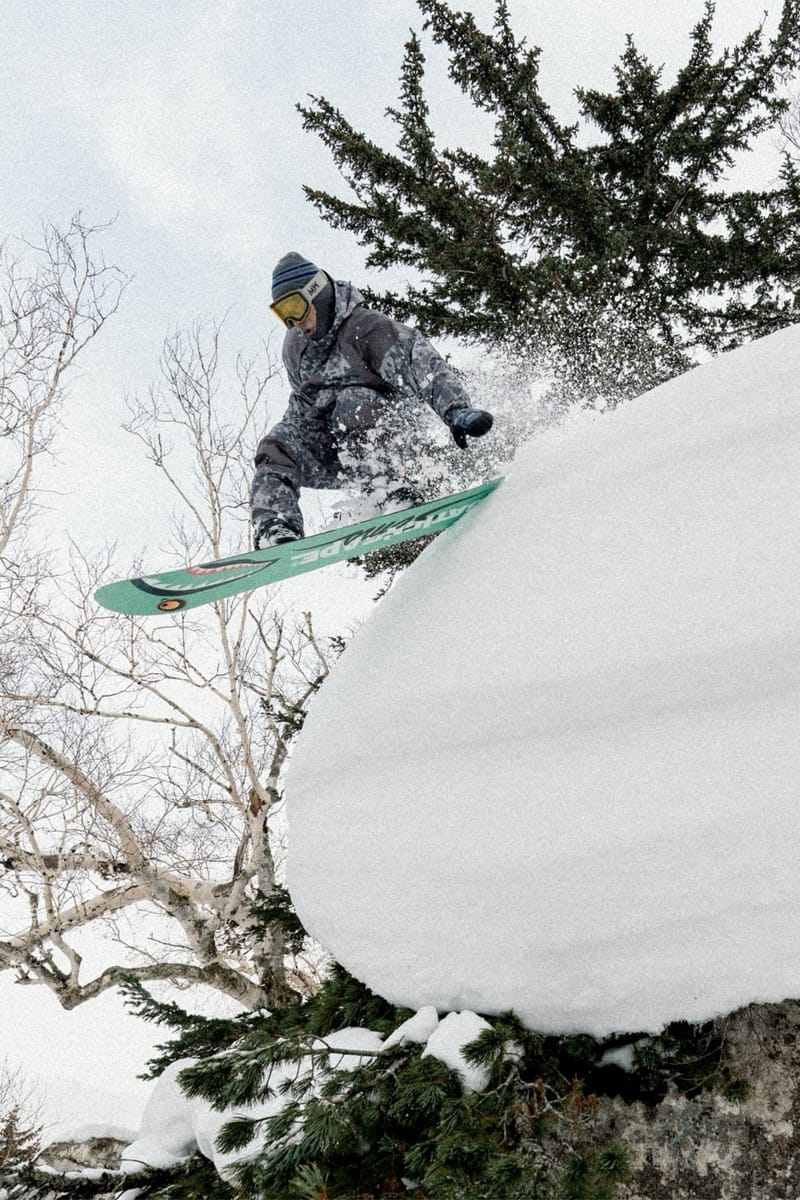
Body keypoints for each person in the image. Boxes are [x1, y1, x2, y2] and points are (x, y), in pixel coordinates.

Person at [250, 252, 494, 548]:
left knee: (353, 402)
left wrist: (456, 410)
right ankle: (276, 526)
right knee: (275, 445)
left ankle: (391, 489)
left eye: (296, 308)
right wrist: (286, 444)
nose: (294, 322)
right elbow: (303, 408)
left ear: (317, 295)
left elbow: (421, 365)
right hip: (336, 446)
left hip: (390, 436)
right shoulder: (296, 349)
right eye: (282, 314)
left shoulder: (367, 329)